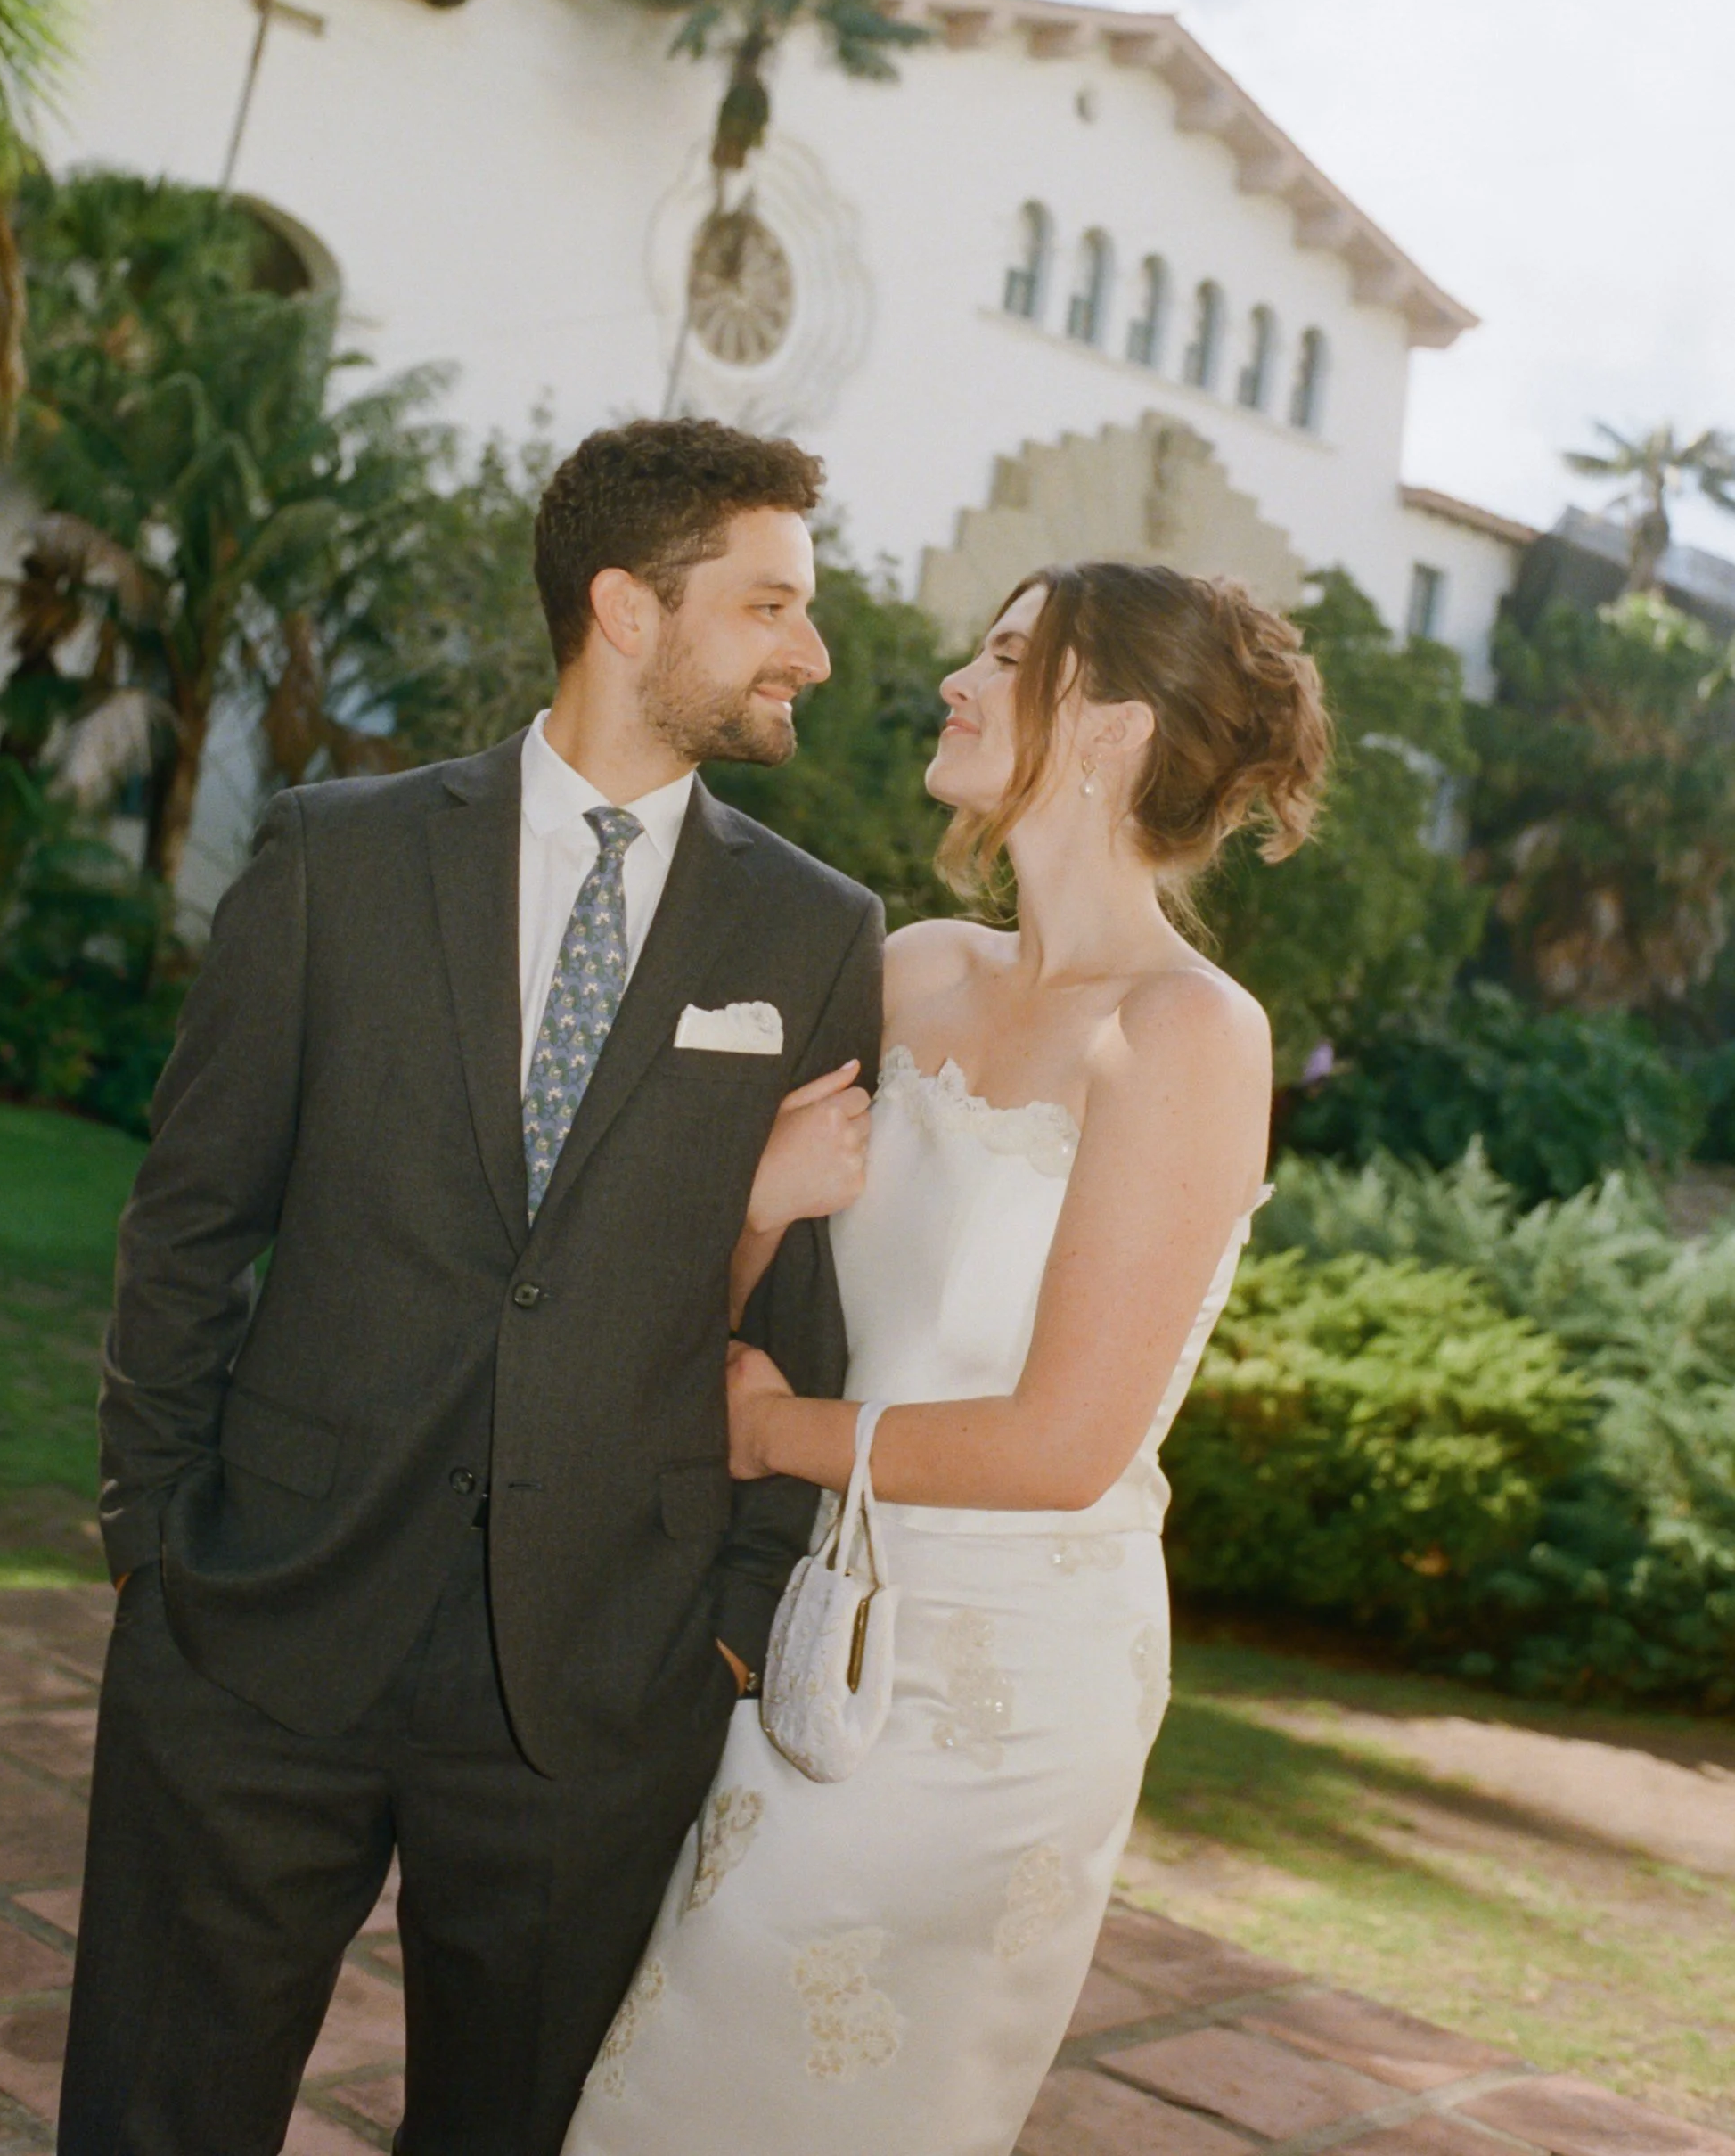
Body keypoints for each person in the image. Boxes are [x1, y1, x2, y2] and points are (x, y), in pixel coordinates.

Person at [57, 417, 887, 2156]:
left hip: (599, 1679)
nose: (809, 649)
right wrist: (156, 1539)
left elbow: (792, 1305)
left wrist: (725, 1629)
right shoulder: (335, 856)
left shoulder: (811, 930)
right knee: (156, 2120)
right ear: (624, 608)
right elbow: (193, 1217)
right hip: (260, 1626)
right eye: (770, 605)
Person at [562, 558, 1330, 2156]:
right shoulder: (915, 969)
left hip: (1005, 1678)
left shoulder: (1192, 1034)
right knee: (669, 2062)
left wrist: (775, 1439)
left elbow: (1063, 1449)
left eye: (1005, 658)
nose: (952, 684)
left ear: (1110, 726)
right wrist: (761, 1213)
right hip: (812, 1614)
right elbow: (713, 1295)